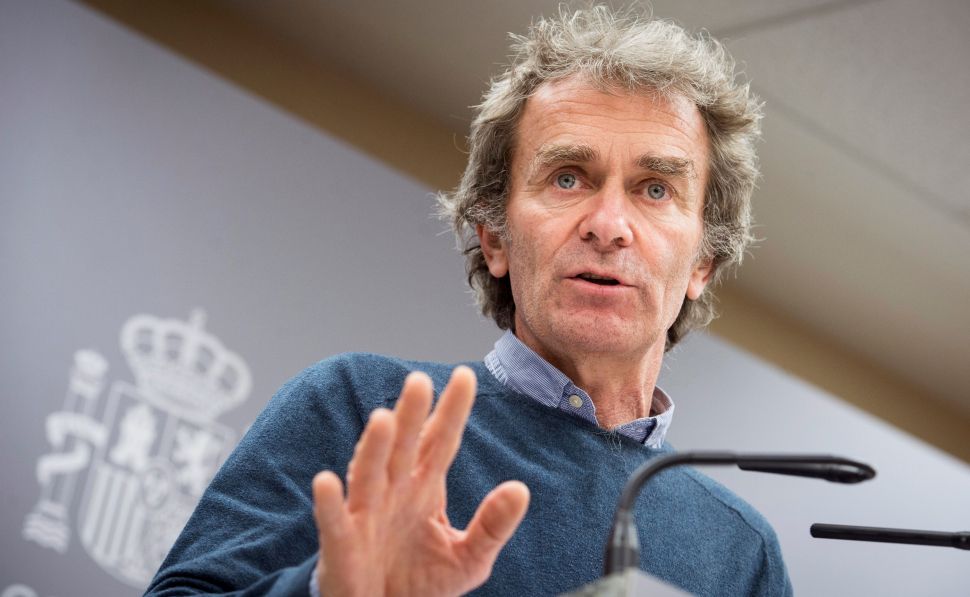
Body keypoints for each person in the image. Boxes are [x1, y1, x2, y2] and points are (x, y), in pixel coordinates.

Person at [147, 6, 791, 596]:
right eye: (568, 178)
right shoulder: (363, 412)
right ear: (495, 238)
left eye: (655, 189)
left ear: (703, 262)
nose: (608, 225)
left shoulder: (741, 553)